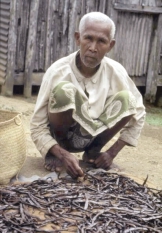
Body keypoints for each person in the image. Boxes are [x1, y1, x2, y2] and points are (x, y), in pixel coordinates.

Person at [30, 12, 146, 179]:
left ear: (110, 45)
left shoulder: (116, 71)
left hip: (95, 136)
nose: (93, 48)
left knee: (128, 100)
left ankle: (93, 152)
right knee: (64, 90)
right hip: (61, 138)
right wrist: (62, 154)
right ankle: (58, 152)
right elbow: (37, 125)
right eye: (88, 38)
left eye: (101, 41)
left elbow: (139, 112)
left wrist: (111, 153)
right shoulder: (58, 71)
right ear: (78, 38)